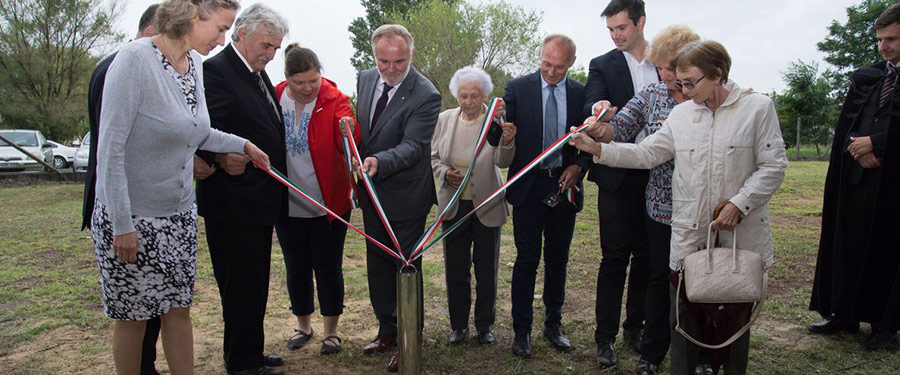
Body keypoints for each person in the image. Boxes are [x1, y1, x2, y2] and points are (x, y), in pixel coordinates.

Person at [570, 40, 787, 375]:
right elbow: (646, 153)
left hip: (740, 234)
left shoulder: (757, 108)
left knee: (734, 312)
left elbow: (773, 166)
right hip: (689, 230)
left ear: (718, 74)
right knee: (683, 311)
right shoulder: (683, 114)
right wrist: (597, 149)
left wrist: (739, 204)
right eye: (679, 83)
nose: (683, 90)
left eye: (690, 82)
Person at [90, 0, 270, 374]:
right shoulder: (133, 60)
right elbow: (110, 149)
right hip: (133, 218)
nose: (223, 40)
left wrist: (242, 145)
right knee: (134, 318)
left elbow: (198, 130)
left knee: (178, 310)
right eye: (221, 28)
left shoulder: (194, 66)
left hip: (178, 215)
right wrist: (122, 224)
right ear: (192, 16)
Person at [588, 25, 700, 375]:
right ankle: (652, 352)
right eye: (661, 67)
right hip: (661, 207)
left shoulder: (704, 100)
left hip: (701, 207)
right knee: (657, 277)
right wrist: (599, 127)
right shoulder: (652, 94)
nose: (665, 75)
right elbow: (619, 128)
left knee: (696, 283)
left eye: (671, 67)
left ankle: (703, 352)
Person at [195, 4, 289, 375]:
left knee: (254, 284)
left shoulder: (255, 73)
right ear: (242, 33)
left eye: (275, 49)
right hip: (232, 203)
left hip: (257, 203)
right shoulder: (215, 71)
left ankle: (249, 350)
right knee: (240, 286)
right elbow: (202, 128)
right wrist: (218, 157)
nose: (270, 54)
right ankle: (242, 362)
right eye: (266, 45)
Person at [84, 7, 177, 375]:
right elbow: (113, 148)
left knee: (152, 304)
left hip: (138, 201)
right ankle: (142, 367)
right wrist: (122, 220)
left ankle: (146, 365)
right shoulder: (121, 66)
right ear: (154, 30)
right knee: (136, 306)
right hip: (124, 203)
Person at [809, 3, 900, 351]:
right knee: (848, 246)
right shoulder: (872, 76)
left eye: (891, 39)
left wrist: (878, 144)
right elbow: (849, 123)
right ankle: (843, 314)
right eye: (879, 39)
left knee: (885, 252)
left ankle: (883, 326)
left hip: (891, 189)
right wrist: (855, 146)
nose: (884, 46)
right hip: (857, 181)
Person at [353, 24, 441, 372]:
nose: (390, 70)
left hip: (406, 196)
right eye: (383, 62)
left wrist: (378, 161)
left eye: (399, 62)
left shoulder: (426, 94)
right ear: (373, 55)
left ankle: (409, 340)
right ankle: (387, 330)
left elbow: (414, 147)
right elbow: (365, 129)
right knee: (376, 264)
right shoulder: (363, 78)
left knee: (405, 268)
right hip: (371, 194)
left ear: (412, 55)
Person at [271, 43, 359, 356]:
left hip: (328, 203)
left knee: (327, 265)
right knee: (296, 265)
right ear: (287, 79)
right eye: (300, 83)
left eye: (314, 80)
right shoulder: (273, 96)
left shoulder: (336, 100)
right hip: (286, 202)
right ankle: (303, 325)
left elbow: (348, 137)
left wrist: (348, 131)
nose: (308, 88)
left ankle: (331, 332)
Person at [503, 34, 587, 358]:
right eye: (546, 64)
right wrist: (501, 129)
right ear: (539, 56)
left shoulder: (581, 94)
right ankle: (521, 330)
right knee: (526, 260)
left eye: (559, 67)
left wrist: (579, 166)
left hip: (563, 186)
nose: (551, 72)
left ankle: (553, 324)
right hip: (529, 186)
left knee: (557, 259)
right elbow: (501, 131)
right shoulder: (517, 88)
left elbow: (588, 140)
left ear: (571, 64)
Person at [584, 0, 657, 366]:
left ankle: (636, 326)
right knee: (614, 258)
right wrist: (600, 109)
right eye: (611, 30)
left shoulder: (665, 62)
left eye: (622, 28)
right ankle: (605, 338)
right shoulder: (602, 64)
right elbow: (593, 98)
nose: (616, 36)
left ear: (640, 22)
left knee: (647, 257)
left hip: (658, 175)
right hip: (615, 177)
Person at [431, 67, 516, 346]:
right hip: (454, 205)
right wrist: (445, 173)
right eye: (463, 95)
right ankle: (458, 326)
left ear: (485, 95)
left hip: (487, 204)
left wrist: (507, 140)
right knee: (456, 269)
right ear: (456, 95)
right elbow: (432, 158)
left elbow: (503, 162)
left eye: (474, 95)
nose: (468, 101)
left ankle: (484, 326)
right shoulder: (444, 120)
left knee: (486, 269)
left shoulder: (495, 120)